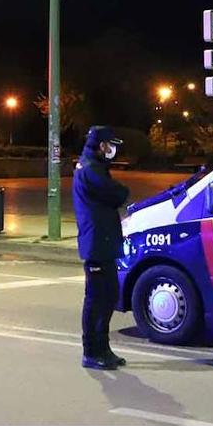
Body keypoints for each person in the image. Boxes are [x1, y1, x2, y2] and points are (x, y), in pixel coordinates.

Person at [72, 125, 130, 370]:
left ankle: (103, 348)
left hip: (103, 241)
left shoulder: (95, 166)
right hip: (96, 242)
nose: (112, 150)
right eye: (110, 145)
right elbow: (117, 194)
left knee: (109, 296)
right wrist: (123, 191)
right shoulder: (91, 169)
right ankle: (91, 351)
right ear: (101, 145)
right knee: (96, 299)